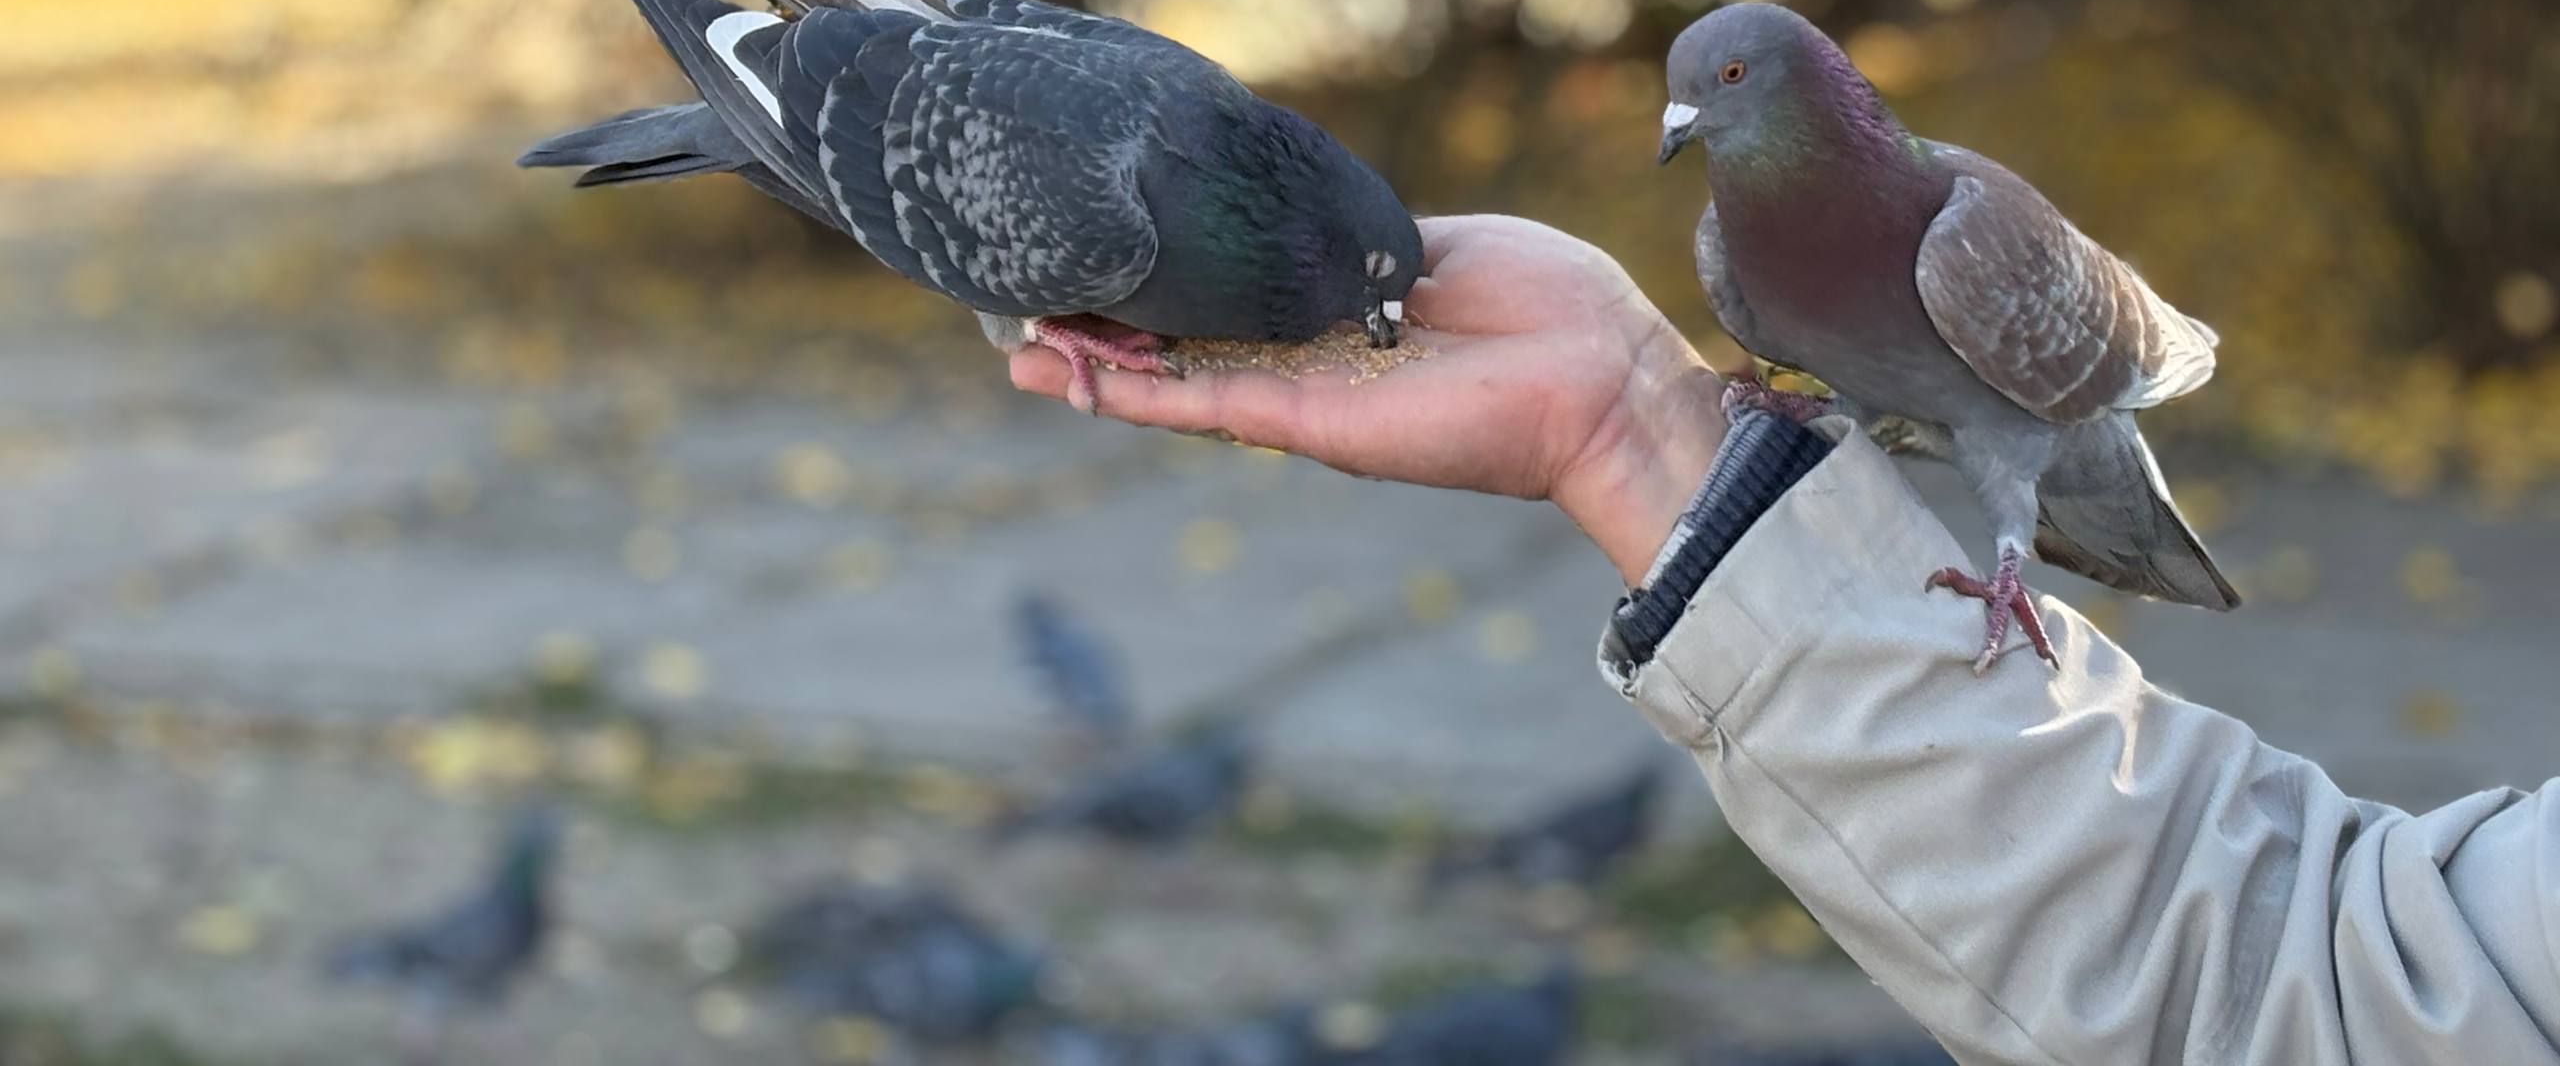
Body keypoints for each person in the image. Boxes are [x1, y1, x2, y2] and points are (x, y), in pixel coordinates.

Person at [1009, 214, 2560, 1066]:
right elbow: (2288, 993)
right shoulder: (1737, 256)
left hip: (2051, 460)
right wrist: (1640, 425)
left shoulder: (1966, 236)